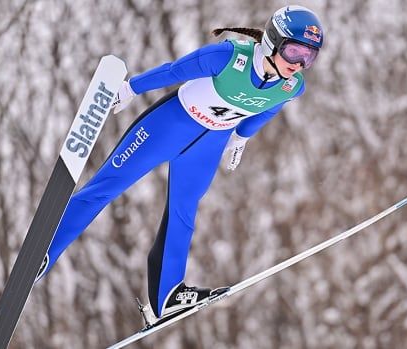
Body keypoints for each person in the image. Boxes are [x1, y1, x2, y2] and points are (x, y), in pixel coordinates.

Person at [36, 5, 324, 321]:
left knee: (184, 211)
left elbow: (269, 109)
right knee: (105, 188)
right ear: (272, 41)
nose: (298, 64)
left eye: (308, 57)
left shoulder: (291, 86)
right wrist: (132, 87)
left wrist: (241, 137)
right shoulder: (229, 57)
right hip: (170, 125)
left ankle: (167, 295)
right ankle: (44, 251)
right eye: (294, 51)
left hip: (209, 145)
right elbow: (175, 71)